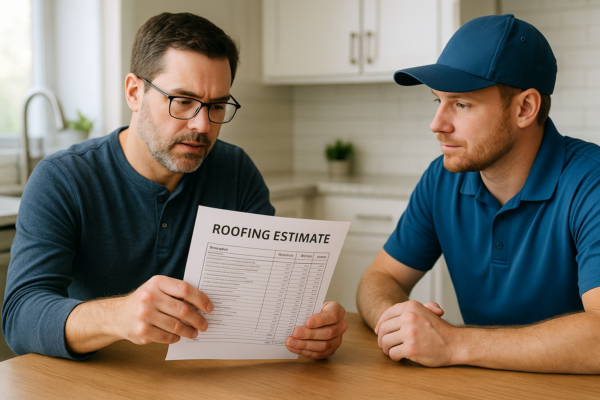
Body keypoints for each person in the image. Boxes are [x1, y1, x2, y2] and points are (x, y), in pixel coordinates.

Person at [3, 12, 346, 360]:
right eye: (182, 101)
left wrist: (312, 325)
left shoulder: (236, 170)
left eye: (216, 106)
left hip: (201, 380)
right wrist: (119, 316)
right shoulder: (62, 179)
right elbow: (20, 317)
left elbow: (270, 294)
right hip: (97, 379)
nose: (202, 125)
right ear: (134, 93)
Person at [357, 14, 600, 374]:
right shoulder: (442, 178)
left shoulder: (590, 182)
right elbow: (379, 278)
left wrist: (453, 343)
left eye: (462, 104)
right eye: (436, 101)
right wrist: (397, 321)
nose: (437, 124)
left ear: (524, 108)